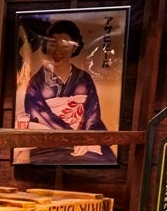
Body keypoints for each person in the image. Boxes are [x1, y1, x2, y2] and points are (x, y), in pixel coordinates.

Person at [20, 19, 115, 164]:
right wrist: (73, 138)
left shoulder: (84, 78)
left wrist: (86, 139)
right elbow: (39, 114)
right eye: (52, 44)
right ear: (46, 45)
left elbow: (92, 113)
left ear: (74, 47)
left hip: (85, 138)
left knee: (105, 159)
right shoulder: (36, 82)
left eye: (64, 45)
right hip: (50, 140)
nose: (57, 51)